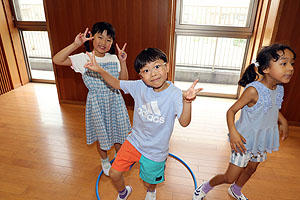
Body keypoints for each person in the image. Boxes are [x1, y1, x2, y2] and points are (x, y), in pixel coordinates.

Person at [84, 48, 202, 200]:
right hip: (135, 142)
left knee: (149, 182)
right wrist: (99, 69)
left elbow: (184, 122)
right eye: (146, 70)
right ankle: (123, 192)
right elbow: (115, 83)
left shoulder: (175, 94)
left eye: (157, 67)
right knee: (114, 173)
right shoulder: (139, 86)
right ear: (140, 76)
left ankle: (151, 191)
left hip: (156, 150)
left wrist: (186, 102)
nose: (153, 73)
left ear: (167, 67)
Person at [193, 43, 296, 200]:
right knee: (229, 176)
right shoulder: (253, 90)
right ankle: (206, 186)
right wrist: (233, 133)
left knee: (251, 169)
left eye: (292, 63)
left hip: (262, 139)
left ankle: (236, 190)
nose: (290, 68)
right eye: (284, 63)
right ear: (266, 69)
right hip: (244, 141)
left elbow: (272, 108)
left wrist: (283, 121)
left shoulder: (279, 88)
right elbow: (231, 111)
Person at [52, 22, 131, 176]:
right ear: (92, 38)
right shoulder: (83, 58)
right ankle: (104, 161)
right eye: (100, 37)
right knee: (102, 135)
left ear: (112, 43)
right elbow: (57, 60)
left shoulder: (114, 58)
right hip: (97, 103)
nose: (103, 42)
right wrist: (76, 44)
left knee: (119, 134)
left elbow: (124, 83)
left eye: (108, 39)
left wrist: (123, 61)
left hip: (115, 100)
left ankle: (118, 157)